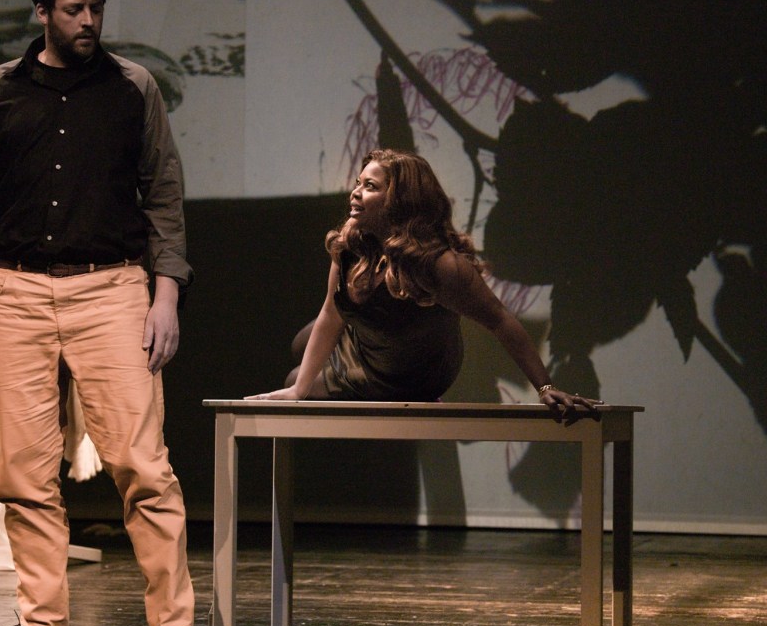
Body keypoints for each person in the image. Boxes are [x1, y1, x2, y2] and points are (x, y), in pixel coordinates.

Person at [0, 0, 196, 626]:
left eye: (96, 9)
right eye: (74, 9)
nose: (89, 21)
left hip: (110, 288)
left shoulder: (131, 87)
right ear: (43, 12)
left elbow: (164, 195)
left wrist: (166, 294)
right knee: (23, 471)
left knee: (142, 466)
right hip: (16, 292)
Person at [246, 148, 602, 421]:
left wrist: (545, 387)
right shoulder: (351, 243)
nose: (355, 193)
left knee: (295, 376)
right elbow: (331, 312)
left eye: (370, 187)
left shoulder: (438, 264)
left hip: (412, 372)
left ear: (399, 201)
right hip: (370, 340)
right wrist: (299, 391)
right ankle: (325, 367)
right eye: (358, 183)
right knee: (301, 348)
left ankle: (371, 378)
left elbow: (499, 319)